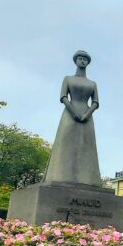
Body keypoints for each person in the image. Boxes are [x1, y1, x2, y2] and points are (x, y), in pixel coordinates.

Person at [44, 50, 103, 187]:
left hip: (87, 116)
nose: (82, 61)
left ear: (88, 63)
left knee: (86, 146)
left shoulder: (92, 83)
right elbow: (63, 97)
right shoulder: (68, 79)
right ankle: (60, 175)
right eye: (80, 58)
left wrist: (87, 114)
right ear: (76, 61)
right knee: (65, 143)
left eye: (85, 59)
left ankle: (87, 178)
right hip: (70, 114)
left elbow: (96, 102)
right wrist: (74, 112)